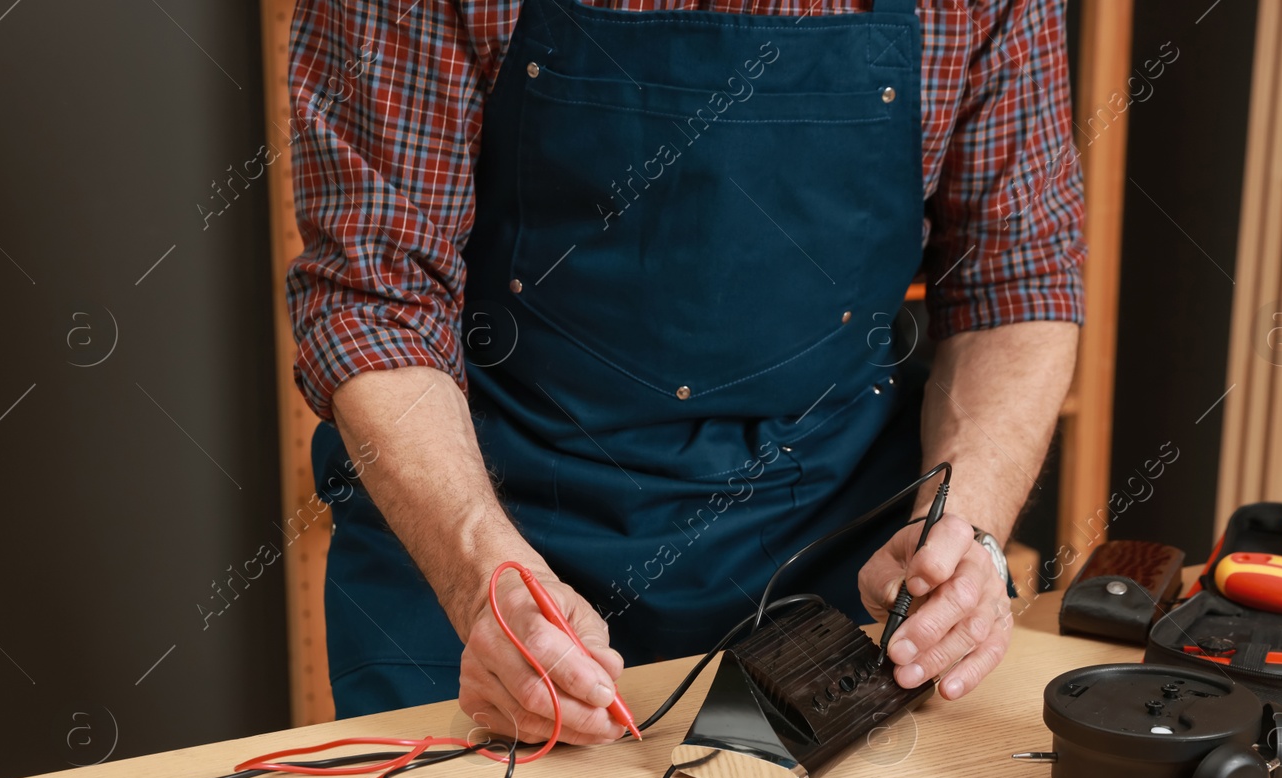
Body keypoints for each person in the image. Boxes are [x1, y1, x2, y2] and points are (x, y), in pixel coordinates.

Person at [286, 0, 1085, 740]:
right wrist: (478, 578)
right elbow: (375, 299)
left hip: (834, 546)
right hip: (489, 527)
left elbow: (1016, 283)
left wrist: (964, 529)